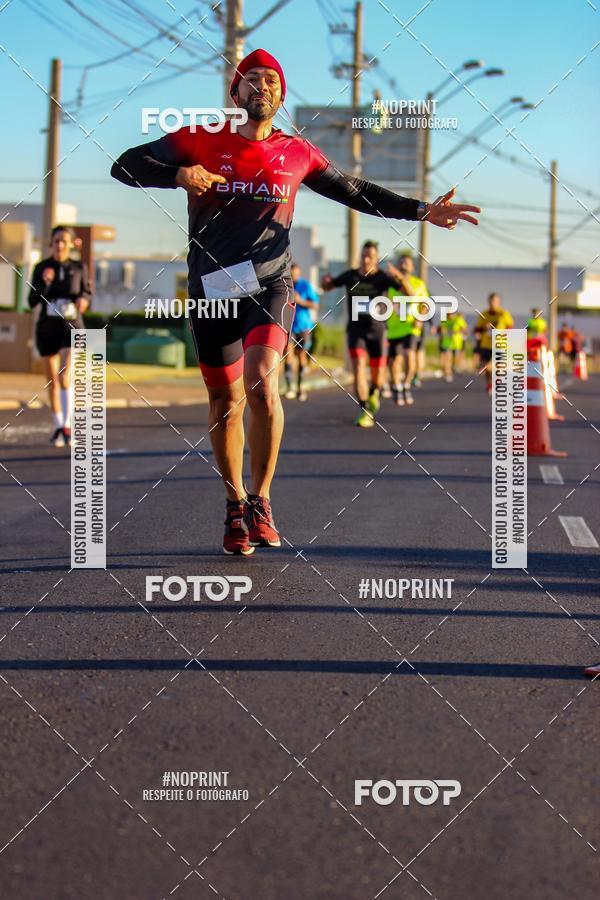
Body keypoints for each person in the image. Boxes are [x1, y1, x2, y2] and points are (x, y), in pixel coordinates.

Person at [111, 48, 481, 554]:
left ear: (281, 96)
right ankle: (234, 503)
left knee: (262, 383)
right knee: (224, 401)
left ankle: (261, 499)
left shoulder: (296, 152)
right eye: (252, 80)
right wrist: (178, 175)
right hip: (212, 289)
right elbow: (124, 166)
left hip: (271, 285)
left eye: (271, 81)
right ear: (235, 92)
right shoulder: (198, 139)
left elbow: (355, 190)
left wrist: (422, 210)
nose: (262, 87)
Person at [322, 242, 407, 425]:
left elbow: (409, 293)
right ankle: (365, 409)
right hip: (356, 329)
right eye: (364, 255)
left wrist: (399, 276)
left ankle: (374, 391)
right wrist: (325, 282)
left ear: (376, 258)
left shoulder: (383, 277)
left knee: (378, 376)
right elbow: (329, 286)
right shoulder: (350, 276)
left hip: (378, 331)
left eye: (370, 256)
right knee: (359, 366)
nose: (366, 259)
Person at [27, 225, 91, 447]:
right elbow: (32, 301)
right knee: (52, 380)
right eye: (56, 241)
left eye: (64, 241)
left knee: (65, 375)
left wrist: (84, 299)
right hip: (47, 327)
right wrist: (44, 282)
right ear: (51, 244)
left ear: (71, 244)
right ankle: (57, 426)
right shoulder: (41, 267)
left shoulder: (79, 267)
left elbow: (86, 292)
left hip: (72, 325)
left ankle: (68, 426)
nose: (60, 245)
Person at [385, 254, 428, 406]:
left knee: (410, 358)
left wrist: (420, 320)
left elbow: (425, 305)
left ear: (412, 267)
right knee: (394, 361)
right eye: (401, 263)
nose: (404, 265)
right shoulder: (391, 284)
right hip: (394, 328)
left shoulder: (419, 283)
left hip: (411, 326)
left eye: (407, 263)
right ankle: (397, 386)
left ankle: (406, 384)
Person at [284, 262, 319, 401]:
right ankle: (289, 388)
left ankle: (300, 388)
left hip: (303, 326)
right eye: (291, 272)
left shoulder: (306, 285)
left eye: (295, 272)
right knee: (288, 353)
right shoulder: (286, 285)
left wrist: (300, 301)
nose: (293, 275)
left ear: (299, 272)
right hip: (288, 326)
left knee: (301, 356)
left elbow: (315, 304)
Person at [474, 292, 514, 394]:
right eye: (491, 301)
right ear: (488, 302)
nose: (493, 303)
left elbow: (510, 327)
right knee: (487, 367)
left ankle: (498, 383)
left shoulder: (504, 314)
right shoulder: (484, 314)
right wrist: (483, 329)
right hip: (486, 344)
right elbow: (477, 329)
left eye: (495, 301)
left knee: (499, 366)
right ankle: (489, 384)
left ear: (499, 302)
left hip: (500, 343)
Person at [439, 309, 468, 381]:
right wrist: (443, 331)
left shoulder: (458, 319)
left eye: (451, 314)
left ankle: (455, 368)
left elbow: (465, 329)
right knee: (447, 358)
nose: (450, 315)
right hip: (447, 343)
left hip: (457, 343)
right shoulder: (444, 320)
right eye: (448, 314)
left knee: (455, 360)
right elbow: (442, 329)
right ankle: (448, 374)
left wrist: (456, 331)